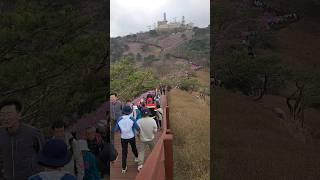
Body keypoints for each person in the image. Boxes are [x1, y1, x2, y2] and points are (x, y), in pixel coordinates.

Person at [0, 99, 45, 180]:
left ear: (19, 114)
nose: (6, 118)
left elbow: (44, 157)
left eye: (9, 114)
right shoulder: (1, 134)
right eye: (2, 114)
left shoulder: (34, 133)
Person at [113, 106, 140, 174]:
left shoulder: (119, 119)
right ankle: (137, 158)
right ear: (130, 112)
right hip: (131, 137)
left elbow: (115, 130)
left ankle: (123, 168)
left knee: (124, 152)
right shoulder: (132, 118)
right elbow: (137, 128)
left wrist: (121, 129)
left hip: (123, 138)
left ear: (123, 111)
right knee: (134, 148)